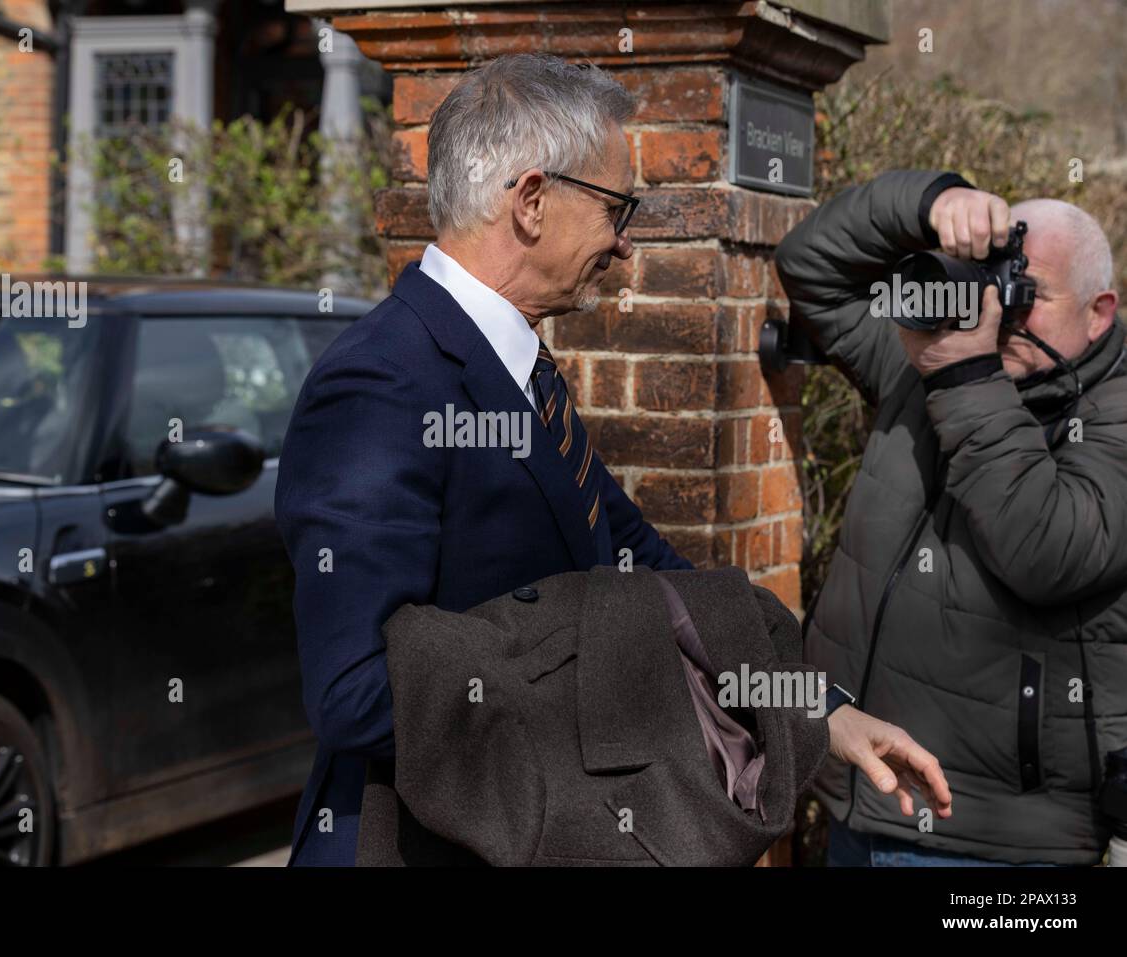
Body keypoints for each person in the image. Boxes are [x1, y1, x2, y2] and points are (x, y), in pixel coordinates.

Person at [276, 55, 951, 867]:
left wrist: (813, 708)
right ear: (531, 201)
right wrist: (616, 693)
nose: (625, 243)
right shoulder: (380, 382)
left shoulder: (521, 370)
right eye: (614, 207)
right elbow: (354, 692)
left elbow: (643, 577)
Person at [775, 169, 1127, 865]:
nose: (1002, 316)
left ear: (1100, 311)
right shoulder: (927, 366)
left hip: (992, 839)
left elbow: (1048, 551)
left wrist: (967, 380)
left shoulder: (1108, 413)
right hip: (857, 791)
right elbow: (809, 264)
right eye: (996, 289)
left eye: (1030, 297)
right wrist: (930, 202)